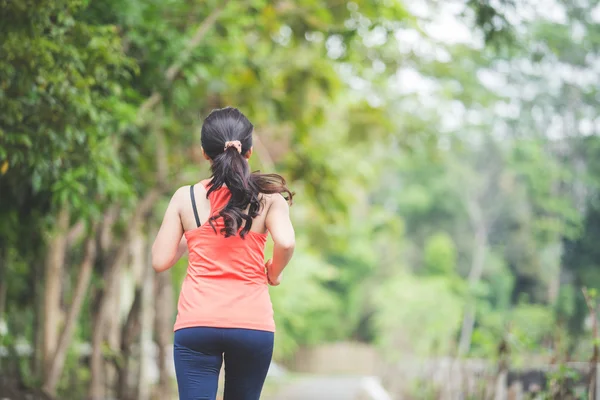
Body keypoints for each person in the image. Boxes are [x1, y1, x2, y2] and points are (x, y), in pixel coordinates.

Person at [151, 107, 295, 400]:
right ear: (249, 151)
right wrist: (274, 273)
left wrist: (194, 235)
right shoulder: (268, 199)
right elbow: (287, 243)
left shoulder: (186, 197)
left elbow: (160, 260)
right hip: (252, 324)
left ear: (205, 153)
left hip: (197, 323)